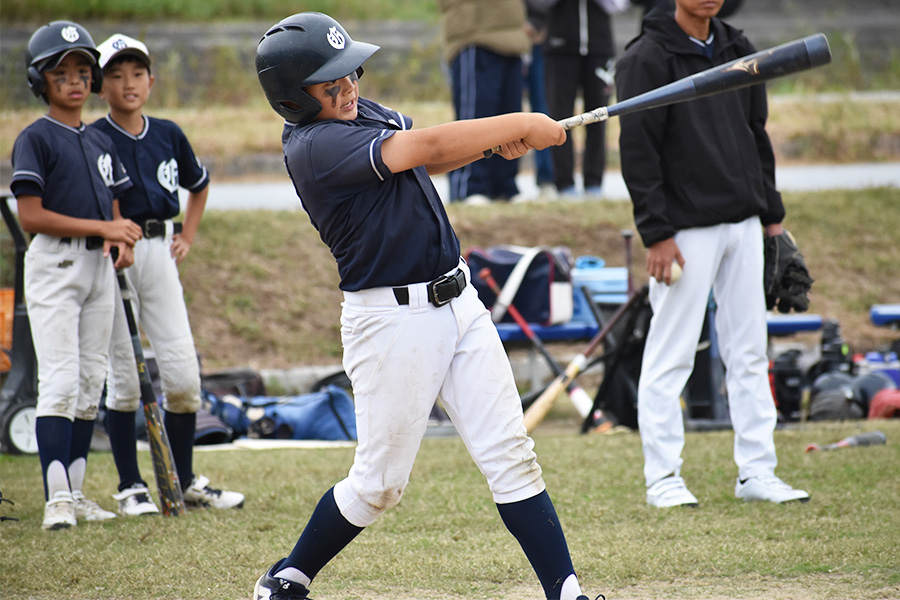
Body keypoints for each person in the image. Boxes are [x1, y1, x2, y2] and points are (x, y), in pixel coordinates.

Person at [253, 12, 601, 600]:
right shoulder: (315, 146)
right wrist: (524, 121)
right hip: (392, 320)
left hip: (459, 302)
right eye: (329, 83)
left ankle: (566, 593)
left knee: (512, 455)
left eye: (350, 73)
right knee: (378, 484)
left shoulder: (358, 113)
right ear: (292, 99)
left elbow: (430, 157)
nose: (348, 88)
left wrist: (495, 146)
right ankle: (287, 579)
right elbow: (427, 143)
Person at [615, 0, 810, 508]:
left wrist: (773, 220)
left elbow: (755, 135)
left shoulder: (737, 47)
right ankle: (663, 478)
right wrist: (656, 232)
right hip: (683, 230)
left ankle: (757, 472)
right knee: (671, 353)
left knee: (749, 351)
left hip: (744, 222)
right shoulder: (645, 58)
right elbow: (637, 149)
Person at [90, 33, 244, 516]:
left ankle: (182, 480)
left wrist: (188, 236)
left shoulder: (169, 132)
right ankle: (131, 486)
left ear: (151, 81)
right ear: (100, 86)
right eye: (115, 75)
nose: (127, 83)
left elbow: (199, 185)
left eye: (136, 74)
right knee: (126, 380)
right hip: (114, 257)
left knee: (182, 378)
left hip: (159, 252)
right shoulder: (93, 137)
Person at [11, 20, 143, 530]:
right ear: (39, 80)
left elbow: (112, 203)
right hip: (55, 262)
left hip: (98, 265)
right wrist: (104, 225)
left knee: (92, 380)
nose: (74, 80)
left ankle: (79, 492)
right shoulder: (36, 138)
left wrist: (118, 237)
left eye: (82, 70)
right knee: (61, 379)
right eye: (60, 71)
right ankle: (56, 498)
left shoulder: (98, 140)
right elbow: (31, 216)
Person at [437, 0, 531, 204]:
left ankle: (505, 186)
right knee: (475, 116)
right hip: (475, 35)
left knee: (511, 117)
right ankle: (471, 186)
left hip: (513, 39)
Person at [533, 0, 620, 198]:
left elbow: (620, 4)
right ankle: (564, 184)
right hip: (560, 46)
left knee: (600, 116)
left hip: (599, 45)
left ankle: (594, 183)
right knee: (559, 118)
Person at [523, 2, 557, 198]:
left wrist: (536, 23)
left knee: (544, 110)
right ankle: (504, 185)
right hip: (505, 38)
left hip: (542, 38)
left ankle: (547, 179)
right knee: (502, 113)